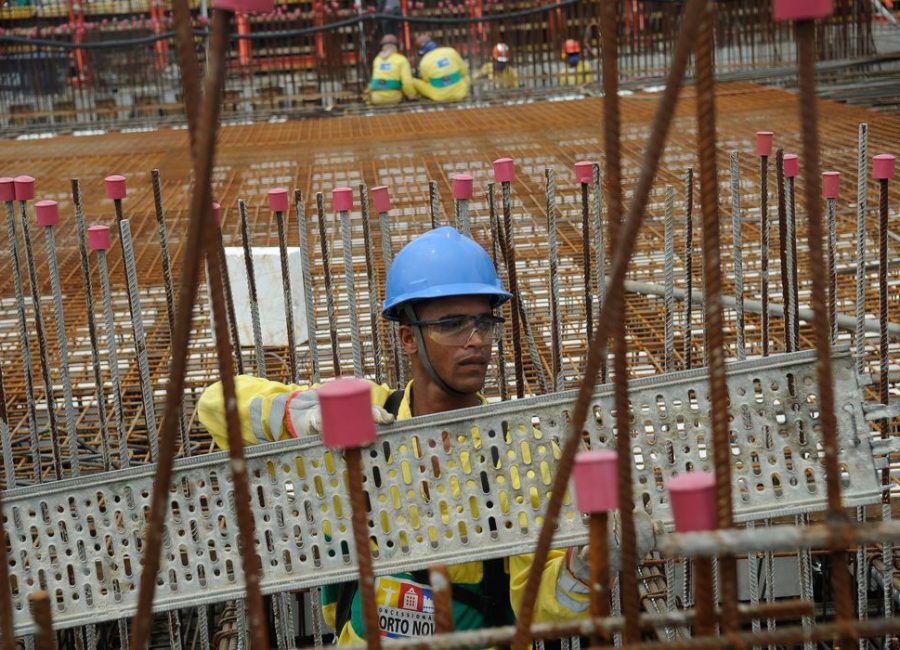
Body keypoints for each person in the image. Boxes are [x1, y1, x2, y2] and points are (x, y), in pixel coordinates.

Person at [196, 226, 631, 643]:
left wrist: (586, 567)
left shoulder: (519, 450)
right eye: (454, 324)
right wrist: (303, 417)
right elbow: (214, 405)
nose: (476, 340)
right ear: (408, 338)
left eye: (485, 322)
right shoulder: (360, 415)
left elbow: (539, 606)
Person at [410, 33, 470, 102]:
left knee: (413, 81)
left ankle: (414, 98)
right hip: (460, 93)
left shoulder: (423, 62)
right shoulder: (450, 51)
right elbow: (464, 71)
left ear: (421, 52)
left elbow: (427, 80)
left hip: (439, 96)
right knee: (465, 76)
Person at [368, 33, 417, 106]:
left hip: (376, 98)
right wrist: (411, 96)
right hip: (394, 97)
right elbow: (407, 82)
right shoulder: (401, 59)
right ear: (397, 46)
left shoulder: (377, 59)